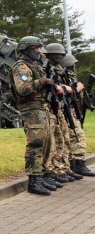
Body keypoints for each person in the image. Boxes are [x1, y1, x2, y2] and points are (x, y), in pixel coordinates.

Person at [9, 37, 59, 196]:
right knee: (36, 143)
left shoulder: (35, 65)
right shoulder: (21, 67)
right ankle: (34, 180)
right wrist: (42, 81)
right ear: (27, 49)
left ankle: (42, 174)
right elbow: (23, 89)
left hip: (41, 108)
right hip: (31, 109)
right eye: (36, 47)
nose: (40, 51)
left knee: (46, 143)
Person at [44, 42, 82, 185]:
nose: (59, 58)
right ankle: (56, 169)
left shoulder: (57, 71)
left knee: (64, 139)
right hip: (50, 109)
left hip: (59, 107)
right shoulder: (46, 69)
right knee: (54, 141)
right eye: (56, 55)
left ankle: (63, 167)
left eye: (61, 55)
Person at [61, 53, 94, 177]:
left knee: (76, 137)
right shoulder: (63, 78)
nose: (74, 67)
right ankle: (77, 165)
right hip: (67, 112)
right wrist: (75, 89)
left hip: (74, 112)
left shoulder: (70, 78)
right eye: (72, 65)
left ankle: (77, 164)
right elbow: (65, 93)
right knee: (76, 138)